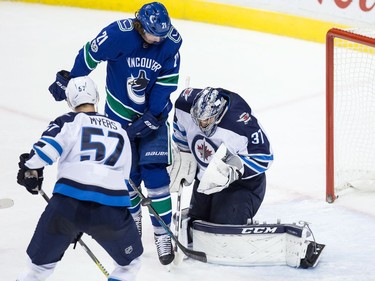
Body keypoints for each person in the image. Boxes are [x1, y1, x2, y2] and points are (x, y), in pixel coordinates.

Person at [47, 2, 182, 265]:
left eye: (161, 35)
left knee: (156, 177)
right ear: (140, 25)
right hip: (117, 123)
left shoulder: (171, 43)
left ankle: (162, 233)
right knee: (127, 178)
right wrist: (72, 79)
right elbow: (89, 55)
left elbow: (166, 83)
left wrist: (153, 116)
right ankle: (134, 222)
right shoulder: (118, 34)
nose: (158, 40)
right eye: (153, 34)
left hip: (153, 120)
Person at [16, 77, 143, 281]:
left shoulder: (68, 121)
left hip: (67, 205)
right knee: (130, 264)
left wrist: (29, 170)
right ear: (96, 97)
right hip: (111, 209)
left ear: (69, 102)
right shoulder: (120, 130)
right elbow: (124, 176)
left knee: (38, 270)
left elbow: (43, 154)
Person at [172, 87, 273, 226]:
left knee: (222, 228)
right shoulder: (184, 104)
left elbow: (265, 158)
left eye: (207, 120)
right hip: (206, 180)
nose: (202, 125)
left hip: (241, 185)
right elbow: (180, 128)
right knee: (195, 224)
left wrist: (233, 171)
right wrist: (184, 153)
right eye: (198, 120)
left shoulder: (241, 123)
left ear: (218, 114)